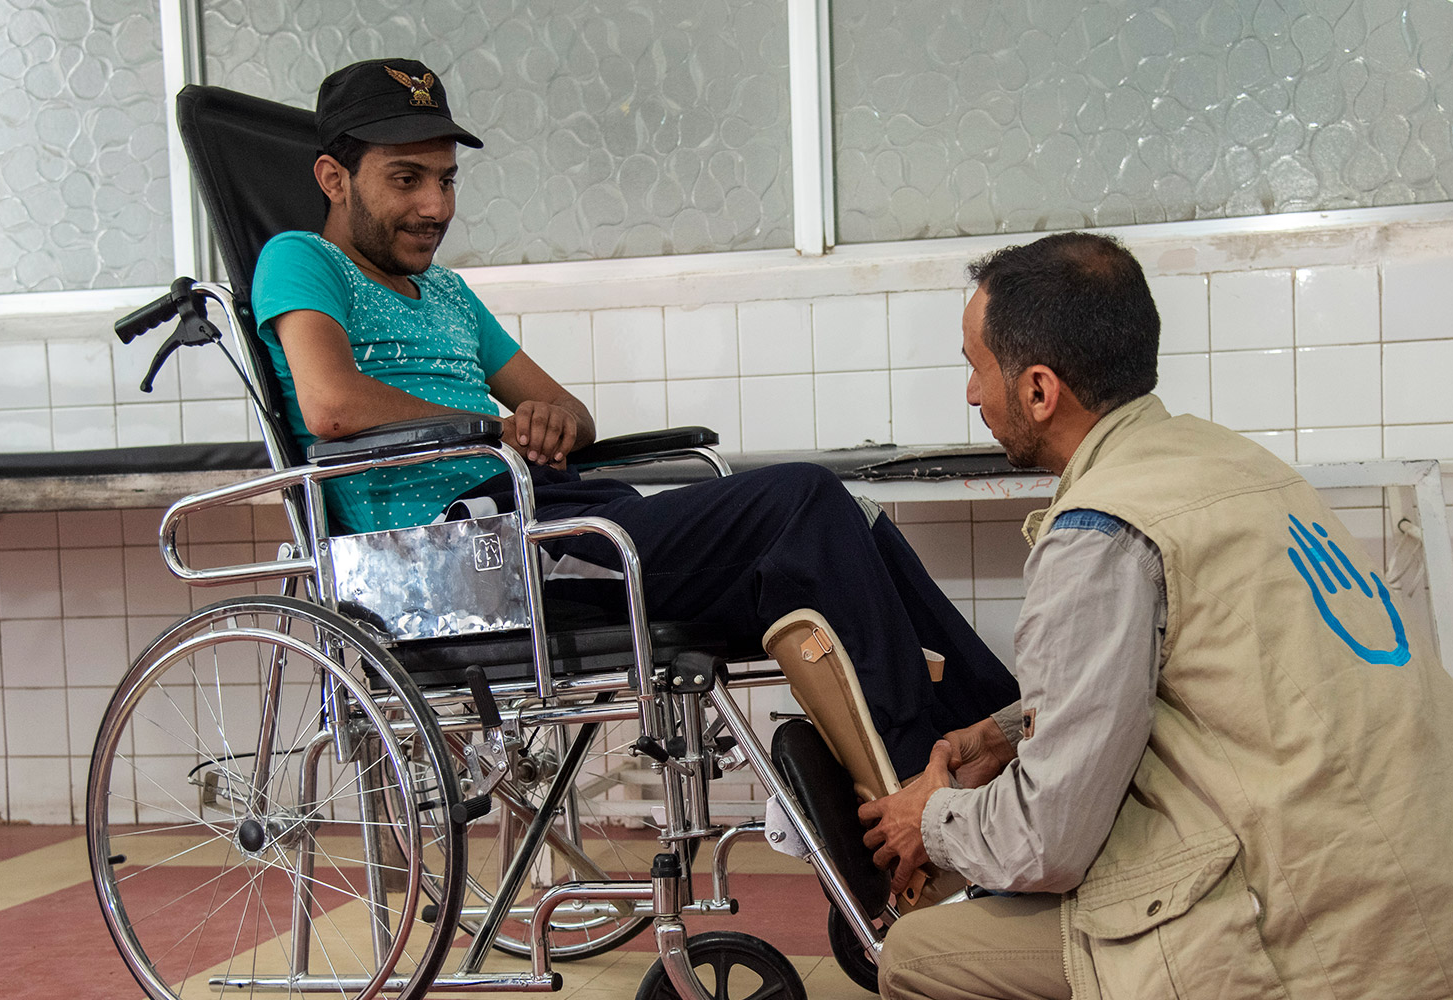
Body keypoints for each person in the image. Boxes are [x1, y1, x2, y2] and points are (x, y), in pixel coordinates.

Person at [248, 57, 1019, 777]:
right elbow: (333, 404)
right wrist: (497, 429)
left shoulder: (447, 292)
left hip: (547, 517)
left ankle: (992, 738)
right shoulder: (300, 259)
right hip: (453, 557)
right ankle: (925, 785)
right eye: (406, 180)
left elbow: (571, 414)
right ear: (333, 178)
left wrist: (550, 424)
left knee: (846, 529)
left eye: (447, 181)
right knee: (802, 500)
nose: (435, 206)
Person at [859, 231, 1453, 999]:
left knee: (916, 956)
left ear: (1040, 390)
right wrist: (1006, 733)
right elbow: (1196, 663)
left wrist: (931, 818)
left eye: (977, 367)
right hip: (1420, 870)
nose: (972, 394)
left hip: (1330, 933)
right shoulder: (1231, 461)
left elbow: (1049, 843)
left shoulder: (1097, 534)